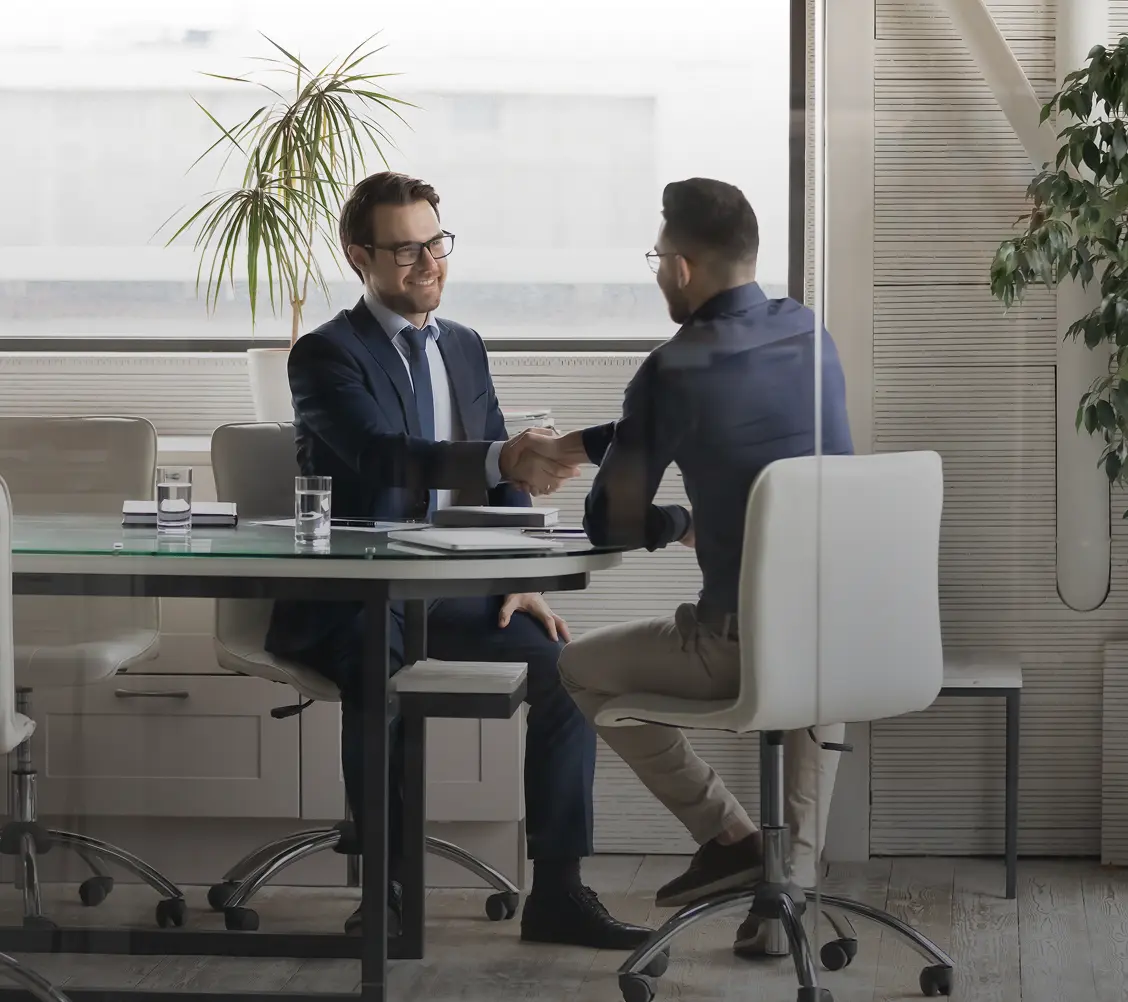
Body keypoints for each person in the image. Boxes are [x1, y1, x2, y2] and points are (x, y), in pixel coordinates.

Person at [264, 171, 651, 951]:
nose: (428, 264)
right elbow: (386, 456)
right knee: (382, 666)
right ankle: (386, 891)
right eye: (404, 251)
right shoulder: (324, 355)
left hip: (449, 594)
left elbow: (499, 481)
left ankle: (560, 892)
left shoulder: (465, 347)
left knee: (565, 671)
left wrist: (520, 576)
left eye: (436, 243)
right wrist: (505, 458)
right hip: (357, 597)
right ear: (358, 256)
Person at [533, 177, 854, 956]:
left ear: (680, 267)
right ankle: (789, 901)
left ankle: (730, 836)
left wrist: (683, 524)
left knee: (576, 667)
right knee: (814, 655)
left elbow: (608, 520)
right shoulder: (808, 332)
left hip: (739, 645)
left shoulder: (675, 366)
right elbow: (716, 414)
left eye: (656, 258)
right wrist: (579, 443)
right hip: (852, 637)